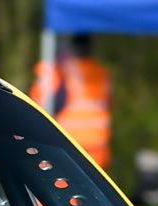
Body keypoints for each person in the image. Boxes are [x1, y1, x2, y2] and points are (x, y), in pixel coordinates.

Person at [30, 33, 113, 168]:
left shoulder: (61, 71)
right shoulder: (101, 72)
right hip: (98, 146)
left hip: (69, 143)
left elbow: (42, 106)